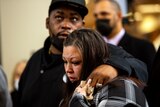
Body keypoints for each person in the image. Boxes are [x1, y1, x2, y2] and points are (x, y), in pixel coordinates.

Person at [17, 0, 148, 107]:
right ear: (47, 22)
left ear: (82, 25)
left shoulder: (100, 50)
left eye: (74, 19)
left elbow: (140, 67)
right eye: (59, 17)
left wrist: (113, 67)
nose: (66, 24)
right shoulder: (35, 60)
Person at [61, 28, 148, 107]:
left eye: (75, 62)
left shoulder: (120, 88)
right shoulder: (73, 90)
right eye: (65, 61)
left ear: (93, 60)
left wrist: (77, 100)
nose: (68, 70)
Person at [94, 0, 156, 82]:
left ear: (119, 15)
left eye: (104, 14)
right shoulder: (94, 48)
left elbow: (153, 81)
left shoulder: (144, 47)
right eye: (96, 15)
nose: (99, 18)